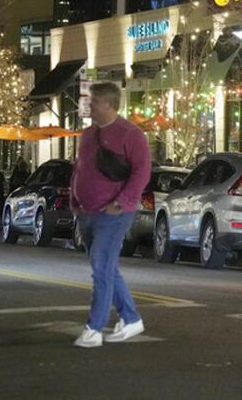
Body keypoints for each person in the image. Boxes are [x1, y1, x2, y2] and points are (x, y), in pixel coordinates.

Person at [70, 81, 151, 348]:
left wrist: (123, 201)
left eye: (92, 101)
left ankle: (94, 328)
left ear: (107, 103)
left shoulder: (131, 134)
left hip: (114, 212)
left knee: (101, 265)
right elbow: (80, 168)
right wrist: (74, 197)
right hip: (87, 211)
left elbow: (142, 172)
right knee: (104, 267)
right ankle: (130, 318)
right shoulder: (88, 134)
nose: (88, 105)